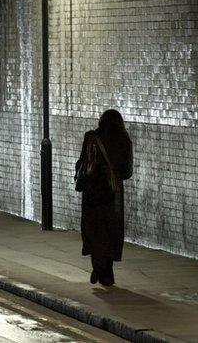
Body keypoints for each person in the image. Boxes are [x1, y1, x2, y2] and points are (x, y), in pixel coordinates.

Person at [77, 109, 133, 286]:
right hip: (113, 193)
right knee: (110, 231)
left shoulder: (91, 137)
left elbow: (82, 163)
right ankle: (106, 270)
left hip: (92, 191)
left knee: (94, 229)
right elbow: (127, 172)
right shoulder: (124, 140)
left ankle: (97, 266)